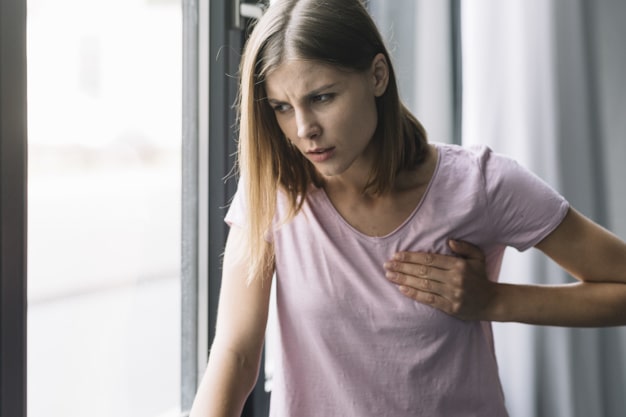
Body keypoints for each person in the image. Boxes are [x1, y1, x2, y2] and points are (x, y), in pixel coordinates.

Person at [189, 0, 626, 416]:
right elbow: (237, 352)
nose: (305, 130)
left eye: (322, 97)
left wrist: (494, 300)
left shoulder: (482, 183)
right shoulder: (273, 189)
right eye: (284, 107)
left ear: (378, 75)